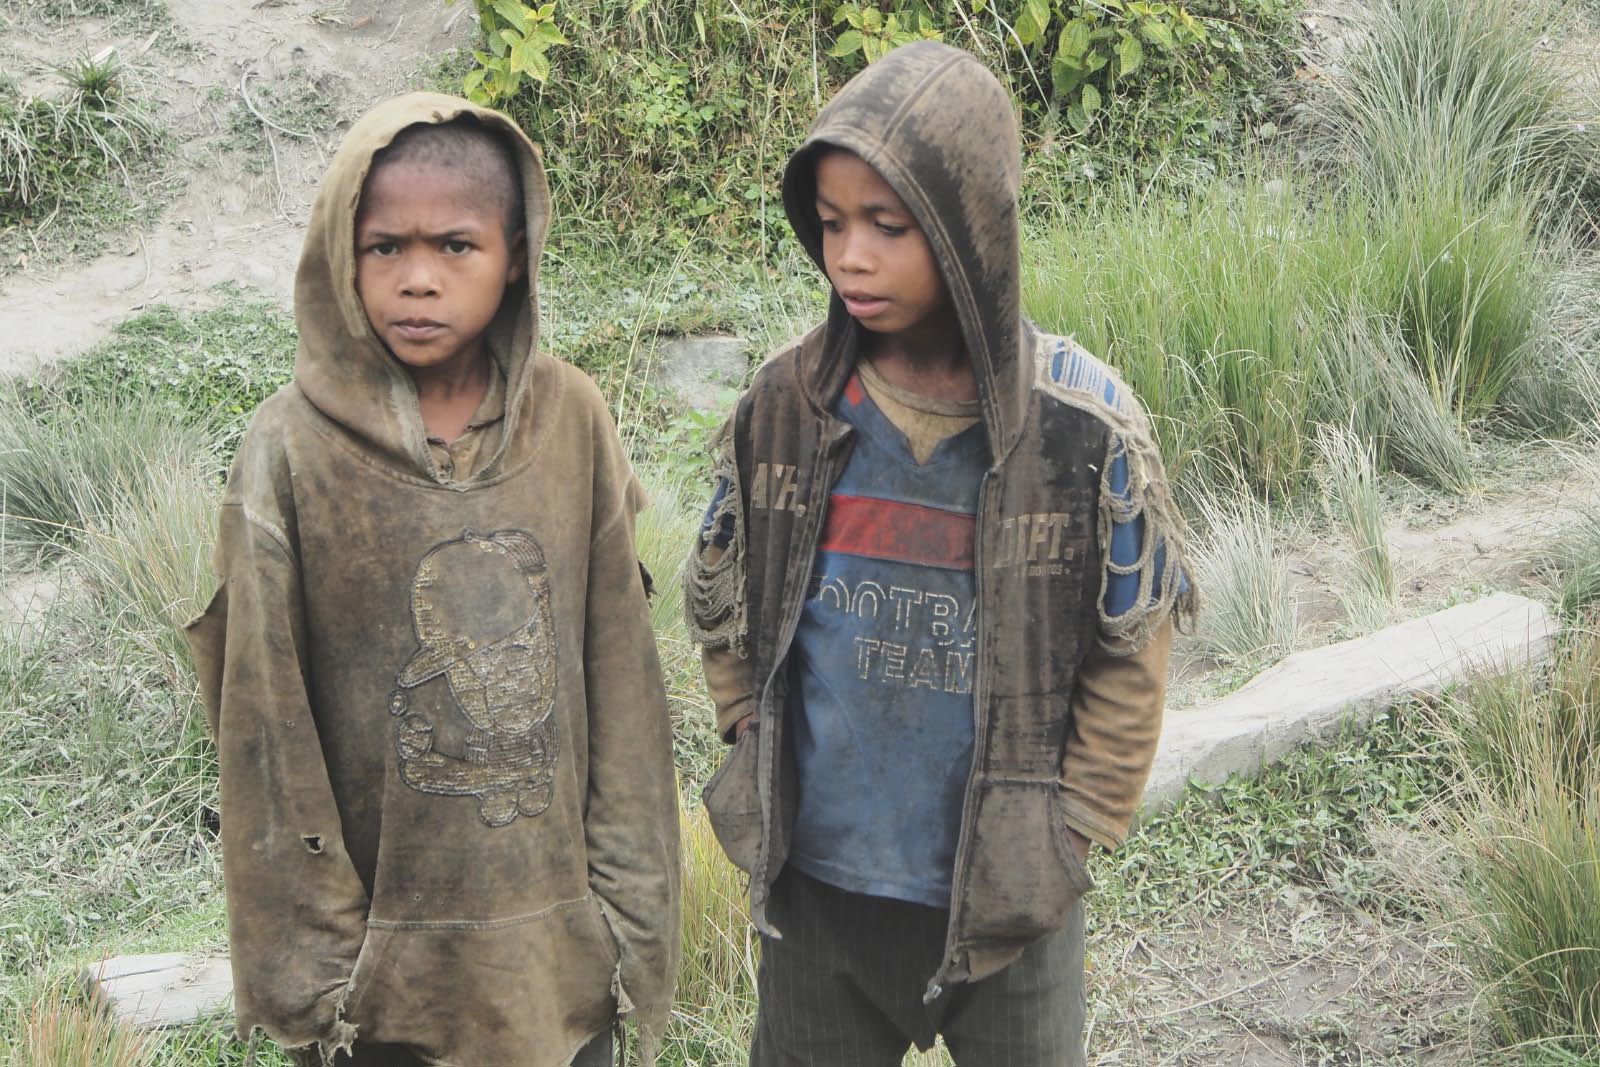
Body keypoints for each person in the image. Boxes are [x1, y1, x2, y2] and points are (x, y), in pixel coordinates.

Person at [684, 42, 1195, 1066]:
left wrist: (1072, 831)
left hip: (1007, 888)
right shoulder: (788, 408)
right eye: (830, 224)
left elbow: (1128, 647)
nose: (850, 258)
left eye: (888, 224)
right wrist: (746, 723)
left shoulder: (1079, 429)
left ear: (973, 227)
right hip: (819, 884)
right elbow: (723, 588)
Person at [187, 93, 679, 1067]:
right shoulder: (289, 450)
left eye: (456, 246)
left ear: (515, 257)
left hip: (559, 958)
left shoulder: (570, 420)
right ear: (341, 253)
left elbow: (623, 689)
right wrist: (324, 973)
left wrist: (627, 921)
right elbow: (266, 734)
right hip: (382, 986)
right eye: (384, 248)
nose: (418, 279)